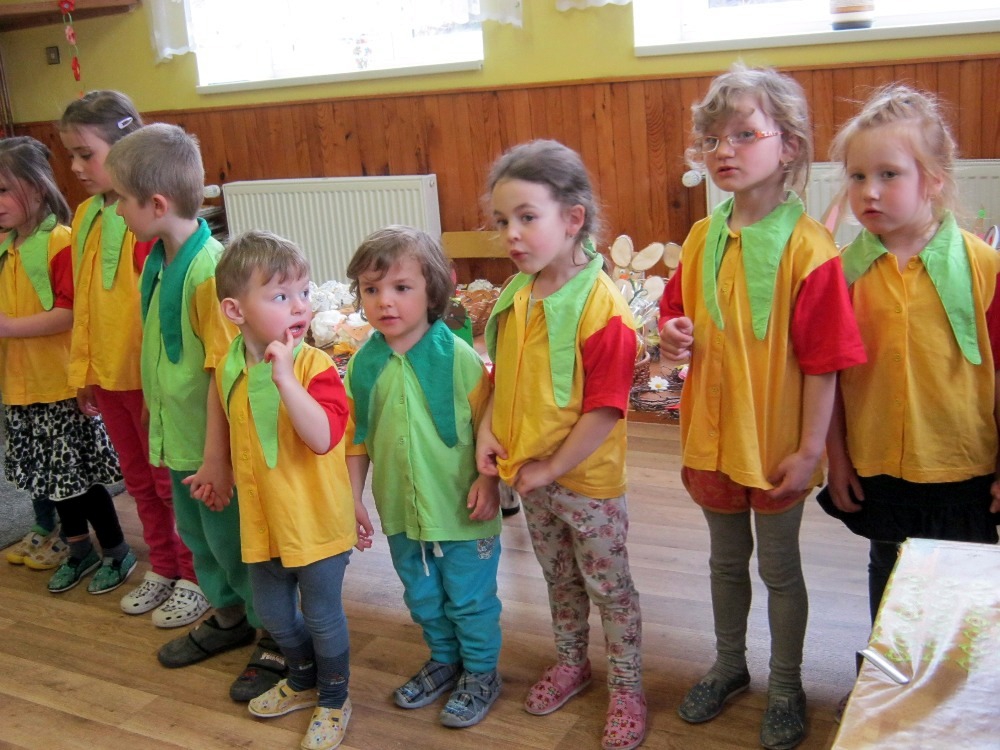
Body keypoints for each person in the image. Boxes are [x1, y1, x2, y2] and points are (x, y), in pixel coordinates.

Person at [657, 65, 865, 750]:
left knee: (779, 571)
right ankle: (730, 666)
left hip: (775, 446)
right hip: (711, 438)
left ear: (790, 145)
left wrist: (809, 450)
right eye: (713, 138)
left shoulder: (811, 250)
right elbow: (676, 316)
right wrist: (672, 333)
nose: (725, 150)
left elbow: (826, 363)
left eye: (744, 134)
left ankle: (786, 683)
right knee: (724, 563)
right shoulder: (700, 237)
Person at [103, 123, 285, 701]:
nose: (116, 210)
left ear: (156, 204)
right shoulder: (159, 260)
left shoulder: (209, 271)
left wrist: (217, 459)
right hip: (179, 438)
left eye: (120, 199)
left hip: (212, 448)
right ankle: (229, 618)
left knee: (236, 546)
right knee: (200, 540)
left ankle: (275, 638)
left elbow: (222, 372)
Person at [477, 139, 645, 750]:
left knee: (610, 589)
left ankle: (627, 687)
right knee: (559, 579)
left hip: (584, 483)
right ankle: (573, 663)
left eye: (527, 217)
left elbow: (604, 410)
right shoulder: (517, 292)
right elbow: (503, 375)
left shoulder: (604, 310)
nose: (511, 234)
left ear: (573, 219)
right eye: (503, 221)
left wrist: (551, 468)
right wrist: (489, 429)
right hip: (531, 475)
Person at [821, 85, 1000, 625]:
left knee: (961, 596)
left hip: (963, 468)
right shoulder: (841, 274)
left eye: (889, 174)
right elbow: (828, 377)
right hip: (878, 465)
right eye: (857, 176)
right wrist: (837, 458)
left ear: (935, 179)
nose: (869, 191)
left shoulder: (983, 266)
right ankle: (888, 670)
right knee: (889, 571)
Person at [188, 230, 357, 750]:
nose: (300, 306)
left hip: (317, 523)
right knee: (277, 615)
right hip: (262, 523)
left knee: (322, 616)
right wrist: (214, 465)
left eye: (304, 291)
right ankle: (303, 680)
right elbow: (226, 409)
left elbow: (323, 437)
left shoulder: (314, 366)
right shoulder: (232, 363)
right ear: (235, 311)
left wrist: (286, 380)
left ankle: (335, 697)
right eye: (281, 295)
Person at [344, 226, 504, 729]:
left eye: (401, 287)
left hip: (463, 508)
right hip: (401, 510)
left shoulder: (458, 358)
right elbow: (356, 439)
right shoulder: (362, 365)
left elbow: (490, 426)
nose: (384, 301)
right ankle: (444, 658)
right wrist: (353, 497)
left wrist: (490, 482)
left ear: (433, 291)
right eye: (371, 289)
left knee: (470, 598)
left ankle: (481, 670)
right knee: (422, 595)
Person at [58, 91, 206, 626]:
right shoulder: (84, 215)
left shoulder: (144, 219)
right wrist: (83, 371)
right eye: (71, 155)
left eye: (86, 154)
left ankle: (194, 574)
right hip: (108, 377)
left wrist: (154, 386)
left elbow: (158, 313)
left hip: (149, 382)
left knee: (170, 486)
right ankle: (163, 566)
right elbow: (83, 304)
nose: (76, 167)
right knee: (139, 483)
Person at [0, 136, 129, 593]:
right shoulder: (8, 245)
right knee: (53, 483)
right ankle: (78, 550)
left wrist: (8, 326)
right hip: (22, 387)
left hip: (59, 385)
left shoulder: (58, 243)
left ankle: (116, 551)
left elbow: (69, 312)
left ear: (36, 188)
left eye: (3, 190)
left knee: (83, 483)